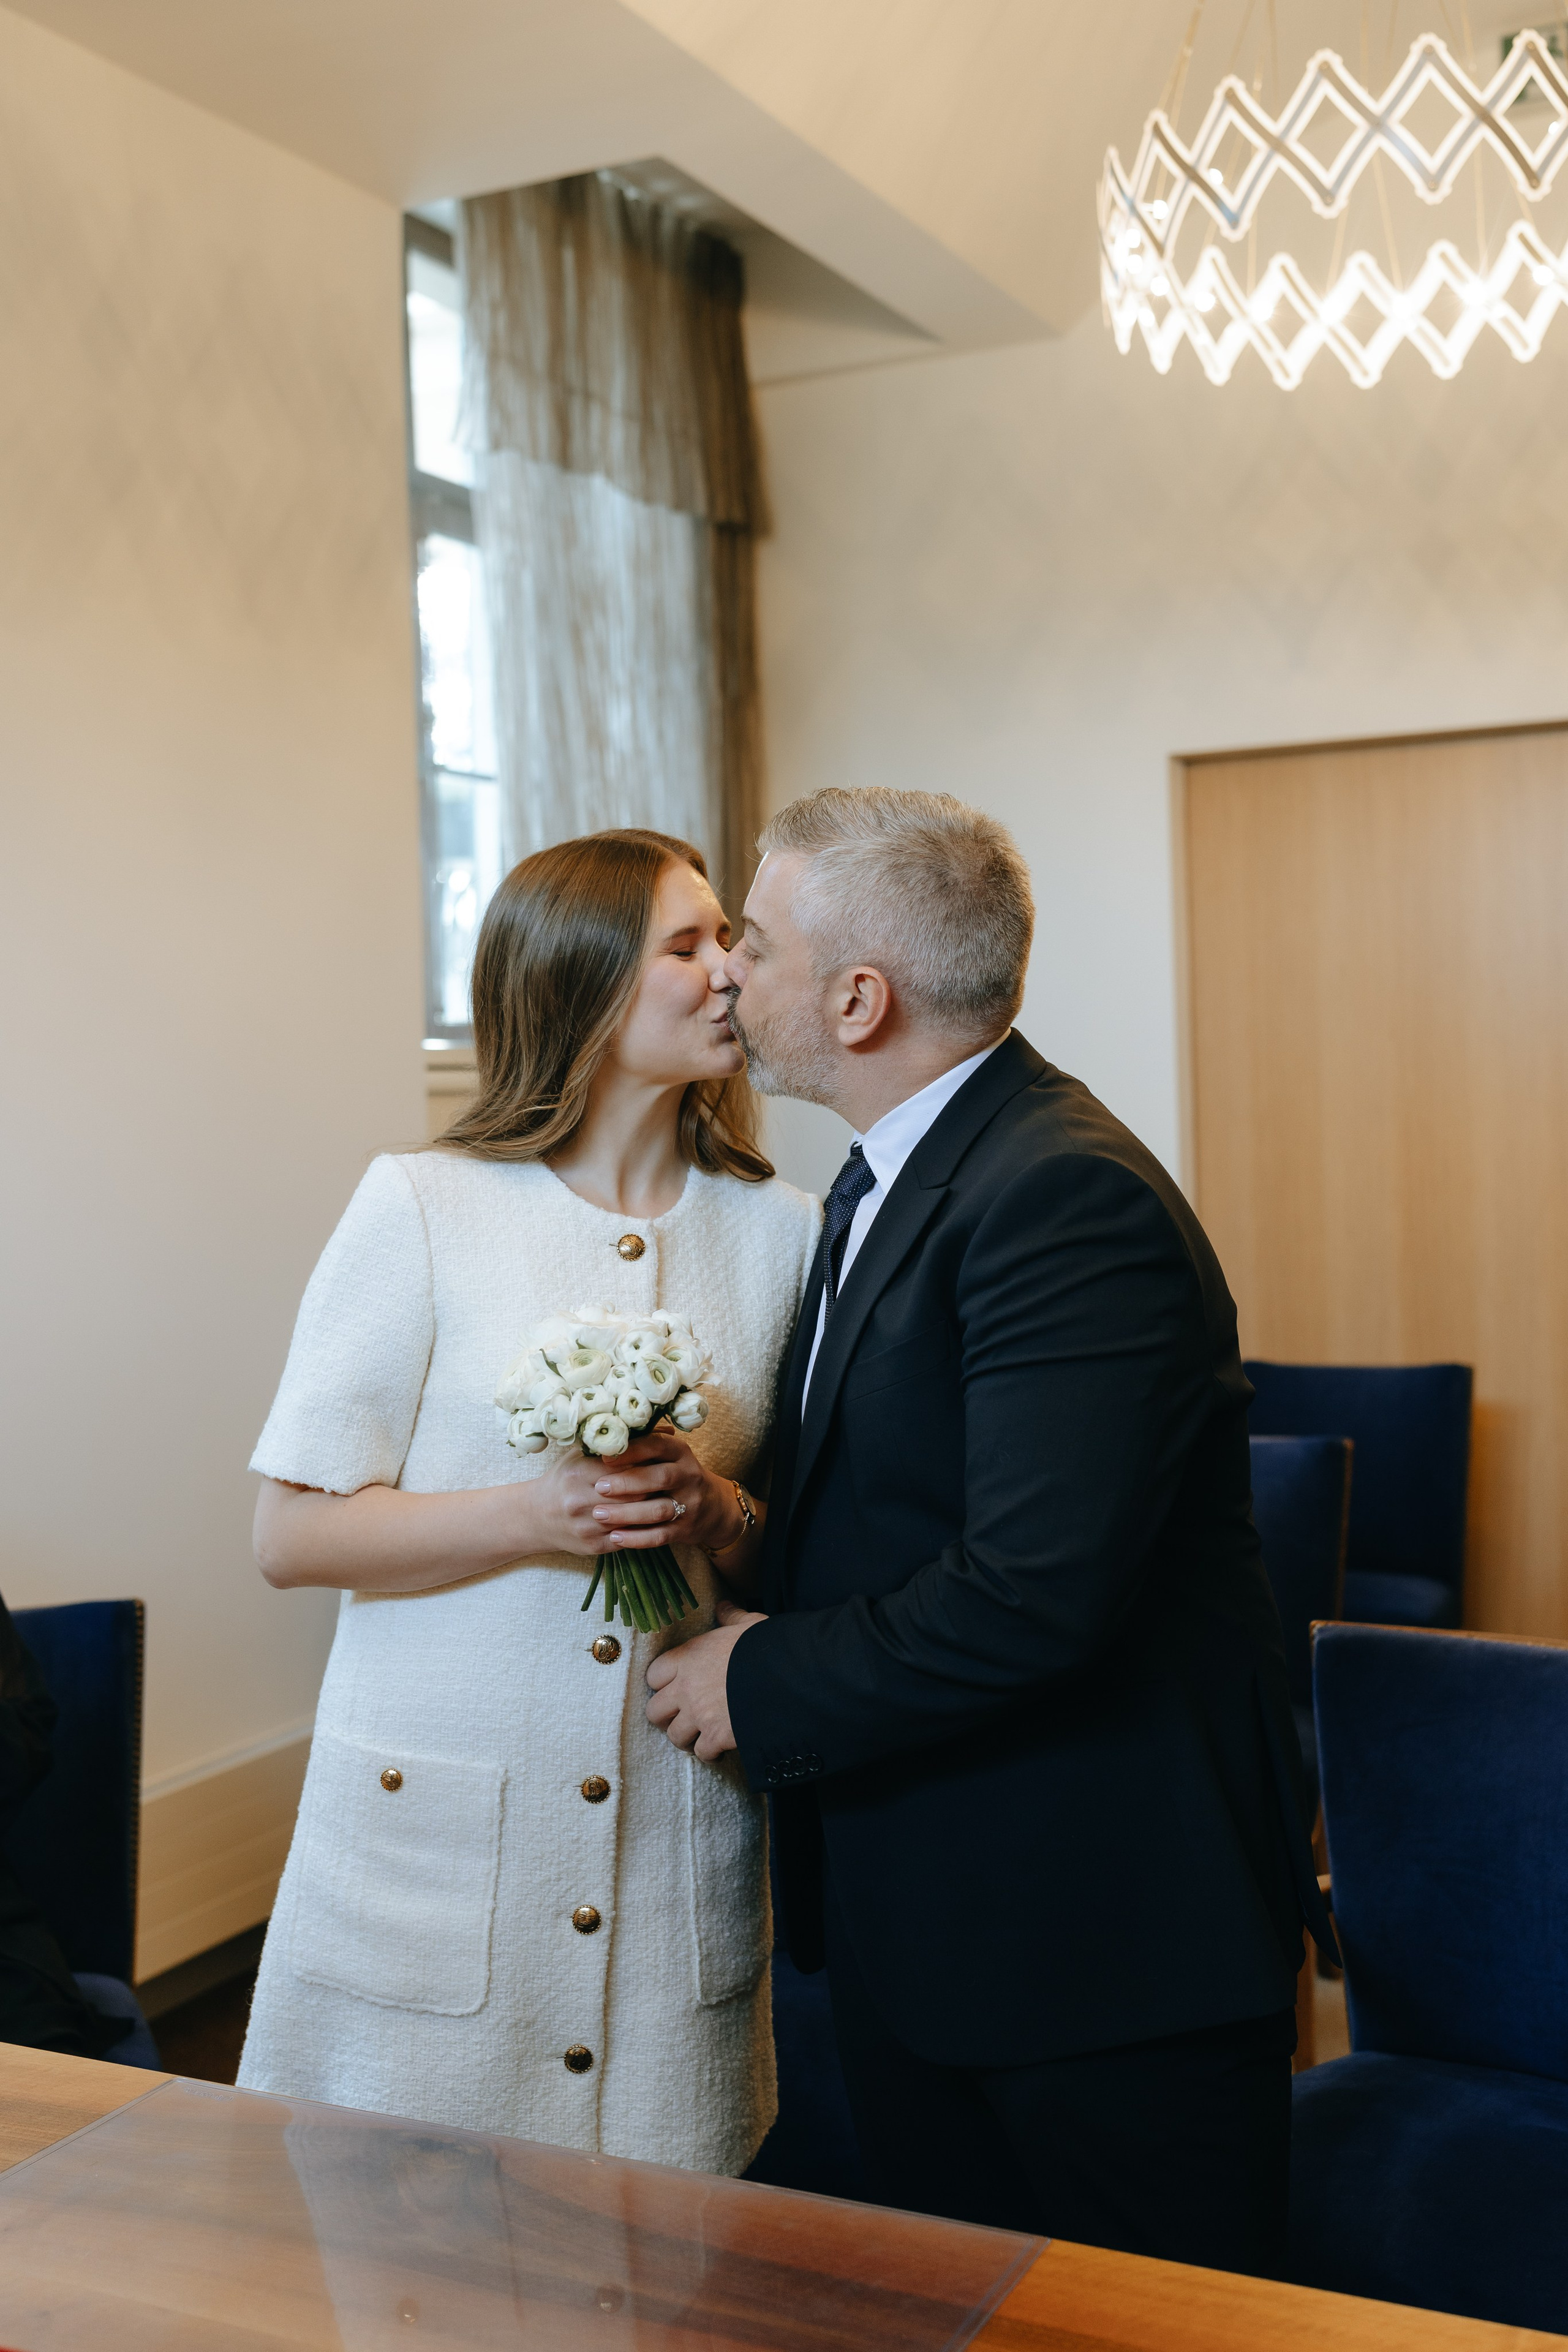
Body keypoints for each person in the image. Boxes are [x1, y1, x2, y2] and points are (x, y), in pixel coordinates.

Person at [644, 786, 1335, 2272]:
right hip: (949, 1919)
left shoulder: (1059, 1196)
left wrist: (750, 1683)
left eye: (749, 944)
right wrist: (735, 1518)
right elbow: (896, 1509)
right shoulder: (893, 1174)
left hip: (1095, 1944)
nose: (725, 975)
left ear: (856, 995)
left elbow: (1032, 1592)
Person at [239, 829, 818, 2174]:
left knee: (662, 2263)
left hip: (677, 1836)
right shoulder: (422, 1208)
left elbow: (801, 1539)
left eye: (729, 937)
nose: (729, 971)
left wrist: (714, 1510)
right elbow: (290, 1536)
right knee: (400, 2261)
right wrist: (533, 1518)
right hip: (431, 1855)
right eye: (686, 946)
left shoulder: (785, 1230)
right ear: (579, 984)